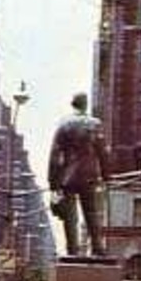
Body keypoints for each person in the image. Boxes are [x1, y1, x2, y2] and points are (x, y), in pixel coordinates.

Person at [47, 92, 109, 257]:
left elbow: (54, 155)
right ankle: (97, 248)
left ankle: (72, 250)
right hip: (89, 175)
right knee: (91, 212)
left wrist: (52, 182)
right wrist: (107, 175)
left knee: (70, 216)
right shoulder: (95, 124)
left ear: (72, 104)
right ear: (85, 104)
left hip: (68, 176)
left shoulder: (64, 124)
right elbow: (103, 152)